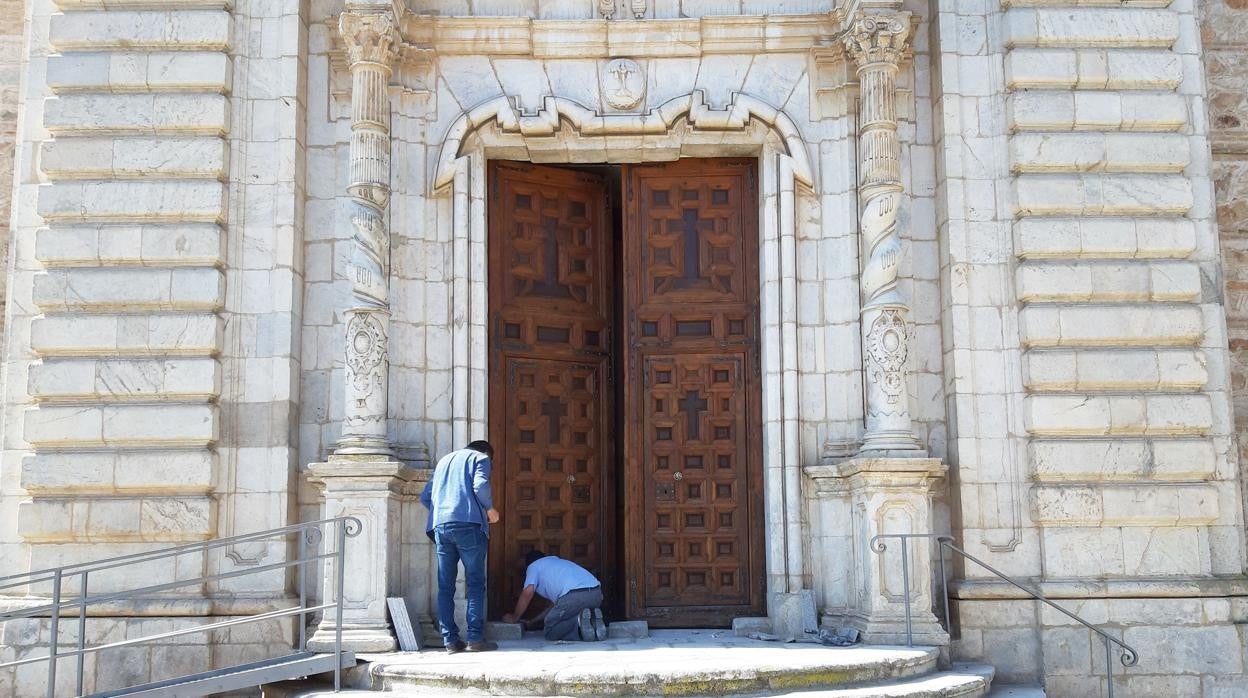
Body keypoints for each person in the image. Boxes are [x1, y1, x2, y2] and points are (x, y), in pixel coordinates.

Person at [421, 440, 500, 654]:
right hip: (469, 524)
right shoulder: (480, 458)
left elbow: (426, 496)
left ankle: (450, 641)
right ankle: (474, 638)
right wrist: (490, 509)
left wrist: (444, 511)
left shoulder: (443, 462)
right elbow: (479, 485)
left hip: (440, 525)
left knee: (445, 586)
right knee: (475, 582)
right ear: (486, 453)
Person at [501, 550, 607, 642]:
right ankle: (594, 623)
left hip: (574, 596)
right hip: (596, 594)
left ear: (528, 564)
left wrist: (515, 617)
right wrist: (533, 621)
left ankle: (579, 624)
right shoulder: (558, 563)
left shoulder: (534, 566)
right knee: (558, 616)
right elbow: (555, 607)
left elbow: (528, 592)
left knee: (550, 630)